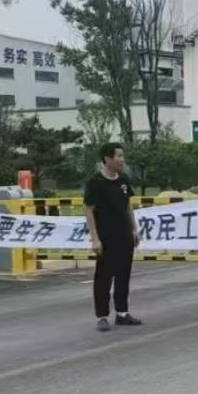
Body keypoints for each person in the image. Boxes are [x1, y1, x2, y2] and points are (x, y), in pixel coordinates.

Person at [84, 142, 141, 332]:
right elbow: (89, 210)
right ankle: (102, 316)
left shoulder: (123, 180)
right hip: (106, 238)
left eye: (122, 156)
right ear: (107, 158)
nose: (122, 160)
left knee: (123, 275)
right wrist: (94, 238)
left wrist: (134, 229)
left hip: (124, 235)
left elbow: (127, 206)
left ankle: (122, 313)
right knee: (104, 277)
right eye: (118, 156)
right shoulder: (95, 183)